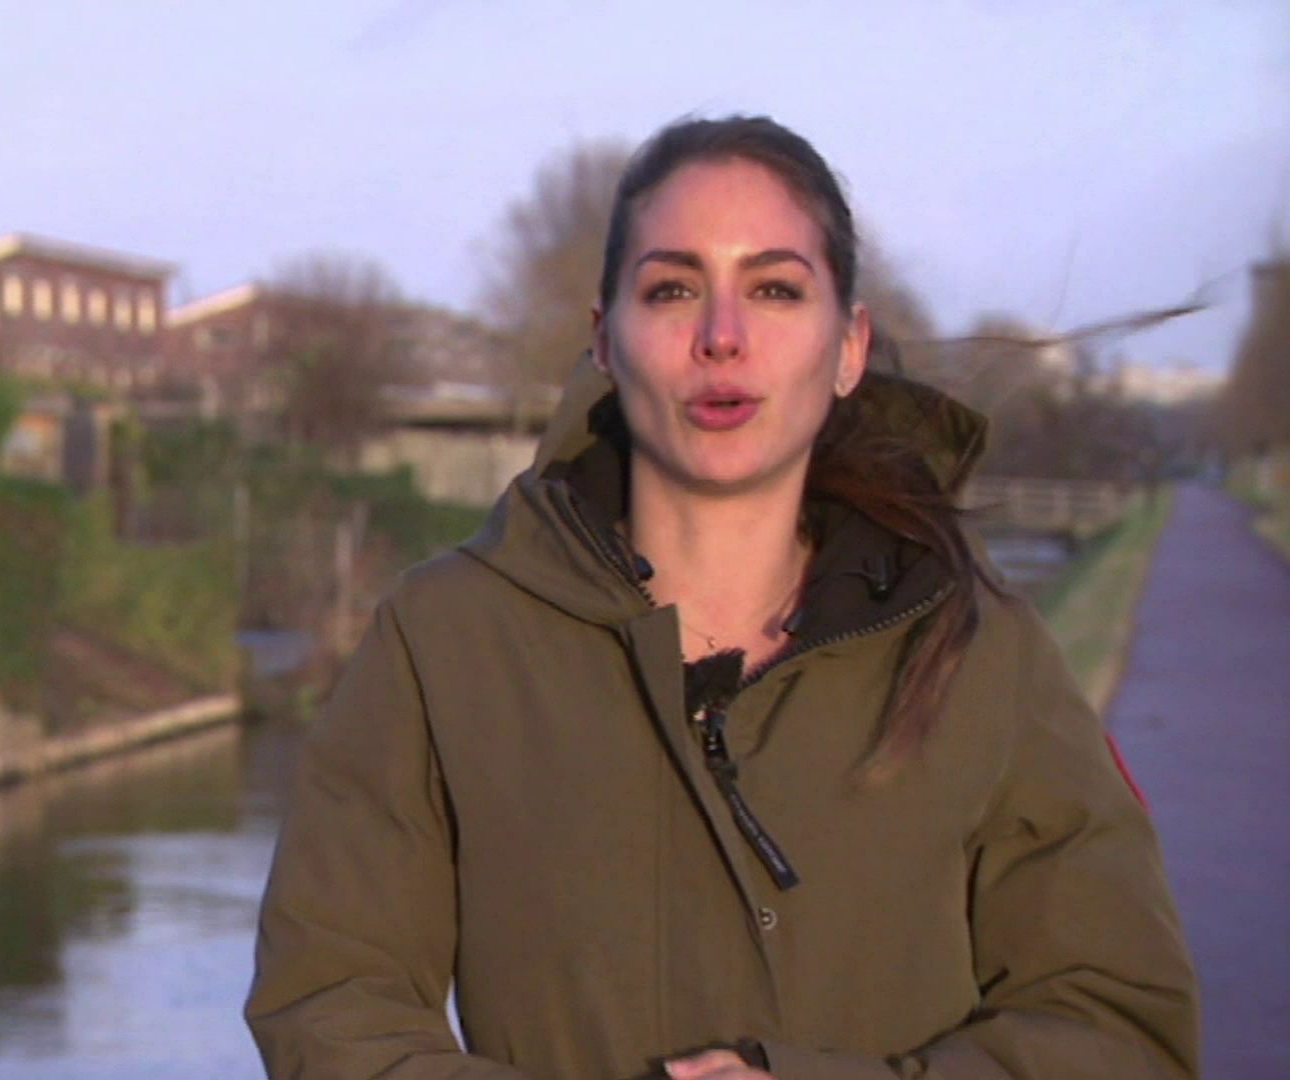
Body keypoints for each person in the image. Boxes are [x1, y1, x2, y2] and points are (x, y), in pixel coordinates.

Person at [243, 115, 1200, 1079]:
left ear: (849, 346)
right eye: (673, 289)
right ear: (604, 341)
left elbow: (1118, 1030)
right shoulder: (443, 640)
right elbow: (330, 1006)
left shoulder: (981, 650)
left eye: (775, 288)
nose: (723, 338)